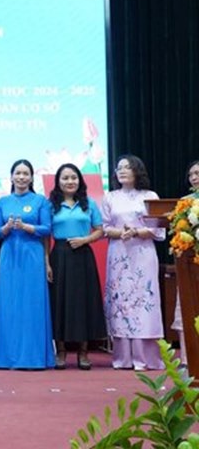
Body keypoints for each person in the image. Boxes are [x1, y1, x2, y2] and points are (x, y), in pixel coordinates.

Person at [102, 155, 165, 371]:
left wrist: (136, 232)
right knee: (120, 301)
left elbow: (159, 228)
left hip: (143, 252)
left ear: (137, 170)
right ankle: (123, 358)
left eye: (127, 167)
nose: (122, 171)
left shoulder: (150, 196)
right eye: (119, 168)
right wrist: (121, 233)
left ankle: (145, 358)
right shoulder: (110, 197)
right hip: (118, 253)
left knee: (144, 298)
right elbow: (104, 227)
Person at [0, 159, 55, 370]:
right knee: (9, 303)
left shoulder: (40, 201)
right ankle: (7, 357)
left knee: (32, 304)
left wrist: (27, 226)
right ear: (11, 177)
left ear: (31, 177)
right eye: (17, 173)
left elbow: (47, 229)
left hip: (32, 255)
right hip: (9, 254)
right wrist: (7, 227)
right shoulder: (2, 202)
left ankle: (34, 357)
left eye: (25, 173)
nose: (21, 177)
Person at [45, 163, 106, 370]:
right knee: (59, 302)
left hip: (82, 256)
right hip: (59, 256)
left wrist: (85, 240)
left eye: (73, 178)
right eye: (65, 178)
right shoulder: (51, 205)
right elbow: (46, 236)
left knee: (83, 303)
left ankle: (83, 352)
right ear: (58, 182)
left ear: (79, 180)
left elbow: (100, 230)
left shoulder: (88, 203)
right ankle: (61, 352)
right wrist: (46, 263)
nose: (70, 182)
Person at [173, 159, 199, 365]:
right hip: (191, 264)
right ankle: (187, 357)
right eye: (191, 175)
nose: (194, 177)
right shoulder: (185, 202)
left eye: (197, 173)